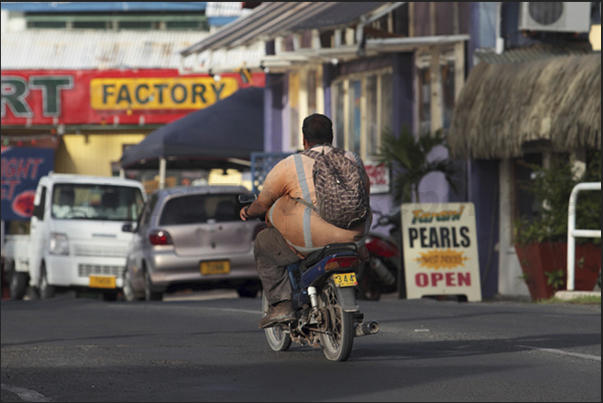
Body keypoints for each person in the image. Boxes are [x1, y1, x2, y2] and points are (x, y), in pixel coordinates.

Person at [240, 113, 372, 329]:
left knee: (263, 244)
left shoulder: (290, 164)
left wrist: (248, 210)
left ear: (304, 139)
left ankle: (281, 306)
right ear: (331, 136)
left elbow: (263, 203)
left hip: (310, 241)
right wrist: (362, 240)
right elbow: (364, 199)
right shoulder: (354, 160)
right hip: (353, 240)